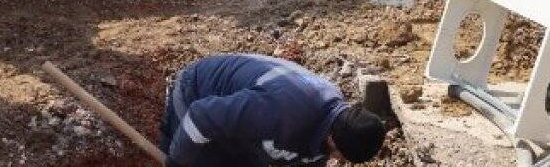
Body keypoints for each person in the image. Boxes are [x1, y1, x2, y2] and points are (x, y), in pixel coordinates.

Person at [159, 53, 386, 167]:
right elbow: (201, 117)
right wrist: (176, 163)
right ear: (334, 140)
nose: (338, 160)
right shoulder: (280, 112)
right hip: (197, 92)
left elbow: (311, 157)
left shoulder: (332, 120)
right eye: (341, 156)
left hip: (241, 113)